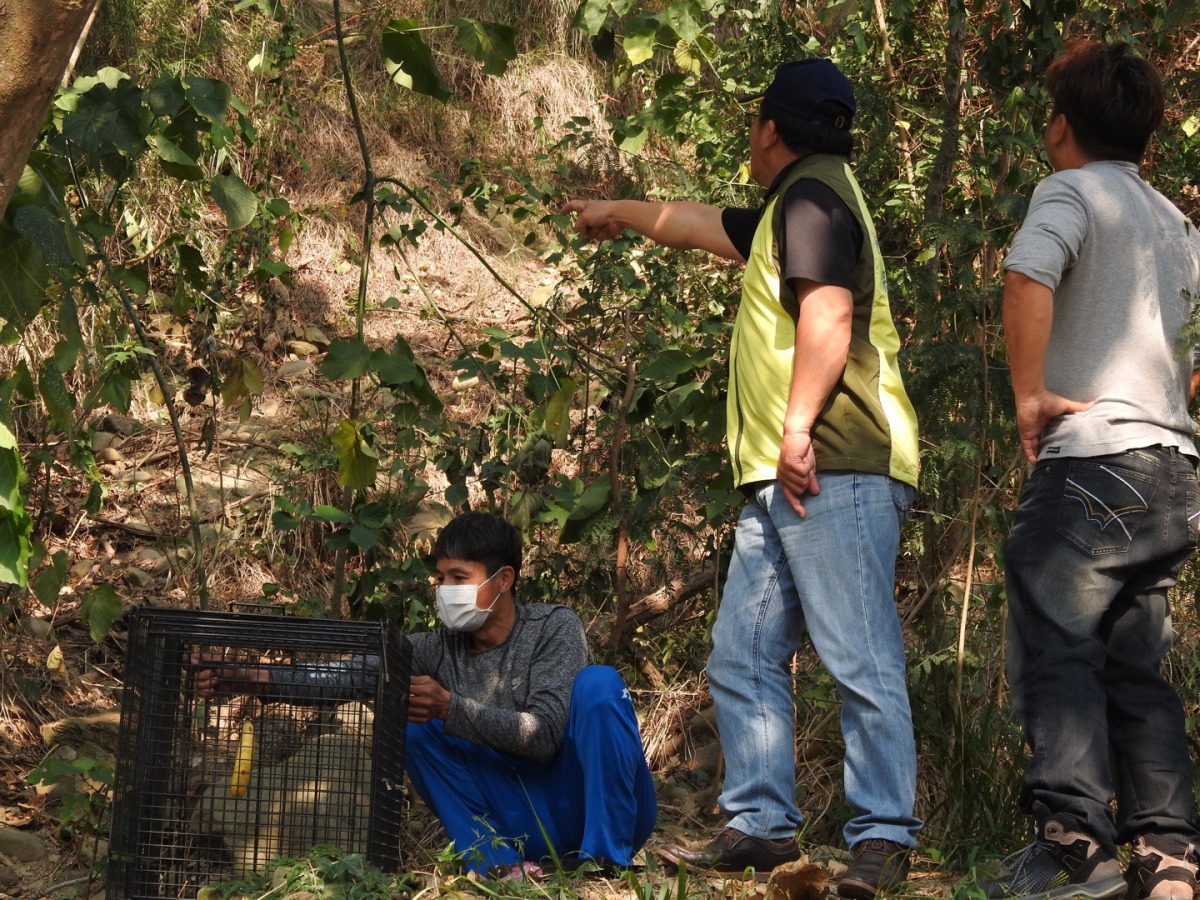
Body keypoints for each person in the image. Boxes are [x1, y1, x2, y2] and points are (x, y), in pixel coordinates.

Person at [561, 58, 921, 897]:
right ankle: (759, 824)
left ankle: (882, 837)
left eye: (752, 125)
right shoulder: (792, 205)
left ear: (769, 128)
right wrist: (618, 210)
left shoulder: (815, 198)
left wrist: (797, 429)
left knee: (859, 654)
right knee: (744, 651)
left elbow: (828, 317)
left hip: (833, 461)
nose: (748, 140)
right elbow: (696, 224)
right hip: (783, 472)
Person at [984, 41, 1200, 900]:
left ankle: (1074, 844)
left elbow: (1028, 272)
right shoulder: (1178, 225)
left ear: (1063, 125)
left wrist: (1031, 394)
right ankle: (1170, 855)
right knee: (1131, 656)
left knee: (1056, 636)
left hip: (1096, 461)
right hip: (1175, 468)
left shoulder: (1068, 190)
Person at [196, 511, 657, 878]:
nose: (445, 591)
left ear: (503, 580)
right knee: (413, 724)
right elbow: (352, 676)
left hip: (579, 805)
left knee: (599, 684)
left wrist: (451, 707)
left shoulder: (554, 628)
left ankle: (607, 858)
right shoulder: (437, 648)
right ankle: (494, 862)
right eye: (440, 579)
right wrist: (256, 678)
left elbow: (543, 736)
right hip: (521, 824)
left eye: (459, 577)